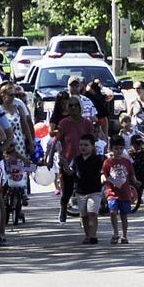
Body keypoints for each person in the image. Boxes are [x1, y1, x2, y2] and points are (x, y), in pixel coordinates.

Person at [53, 96, 94, 224]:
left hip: (85, 161)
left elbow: (92, 142)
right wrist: (50, 158)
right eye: (70, 105)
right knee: (67, 192)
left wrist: (97, 159)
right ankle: (63, 207)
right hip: (68, 161)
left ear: (80, 107)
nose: (73, 107)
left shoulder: (87, 123)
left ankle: (85, 215)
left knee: (85, 192)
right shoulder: (64, 124)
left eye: (76, 105)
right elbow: (55, 141)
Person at [102, 137, 138, 244]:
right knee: (113, 212)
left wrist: (136, 182)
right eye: (116, 148)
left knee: (124, 215)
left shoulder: (127, 161)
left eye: (121, 148)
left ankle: (124, 235)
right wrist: (103, 178)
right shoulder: (107, 162)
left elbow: (132, 175)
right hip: (112, 192)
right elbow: (104, 174)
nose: (119, 151)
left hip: (125, 192)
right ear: (111, 148)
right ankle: (115, 233)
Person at [71, 133, 104, 245]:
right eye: (81, 145)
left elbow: (103, 171)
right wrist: (65, 165)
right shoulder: (76, 160)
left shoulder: (98, 159)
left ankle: (93, 235)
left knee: (92, 212)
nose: (83, 147)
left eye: (86, 145)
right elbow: (71, 172)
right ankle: (87, 235)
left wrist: (104, 176)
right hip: (81, 191)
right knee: (83, 215)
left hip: (95, 190)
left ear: (92, 146)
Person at [0, 83, 34, 160]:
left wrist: (31, 142)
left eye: (14, 95)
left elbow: (26, 126)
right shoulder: (0, 111)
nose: (13, 97)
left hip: (20, 142)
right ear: (3, 95)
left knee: (23, 167)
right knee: (11, 169)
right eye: (11, 95)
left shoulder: (18, 108)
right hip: (8, 145)